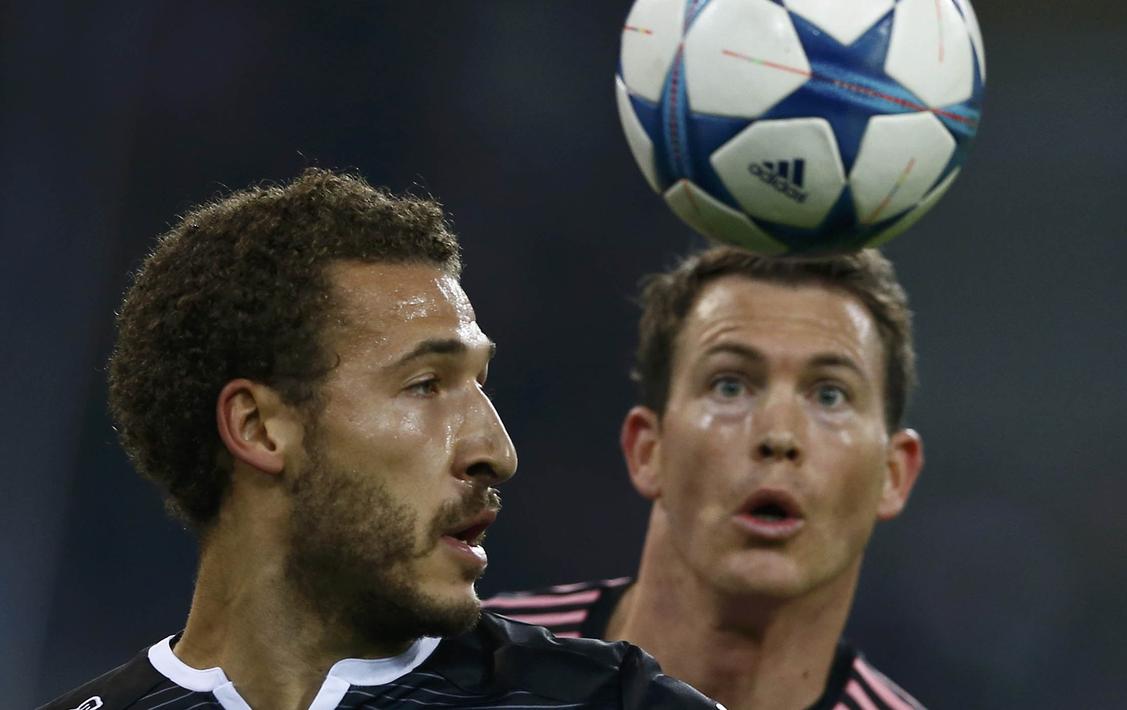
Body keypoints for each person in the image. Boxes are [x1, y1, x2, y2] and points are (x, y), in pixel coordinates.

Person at [39, 169, 718, 710]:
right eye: (425, 385)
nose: (496, 451)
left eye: (479, 383)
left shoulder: (606, 701)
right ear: (258, 429)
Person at [486, 246, 927, 709]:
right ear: (647, 449)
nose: (778, 435)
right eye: (729, 385)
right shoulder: (467, 666)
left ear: (894, 474)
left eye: (831, 396)